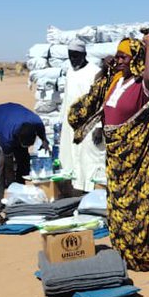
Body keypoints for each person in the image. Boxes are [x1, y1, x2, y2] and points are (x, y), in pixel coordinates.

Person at [66, 34, 149, 271]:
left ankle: (146, 255)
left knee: (139, 206)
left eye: (124, 56)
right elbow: (96, 93)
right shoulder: (115, 80)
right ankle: (125, 250)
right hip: (116, 157)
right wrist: (107, 66)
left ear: (136, 58)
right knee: (119, 206)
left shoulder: (144, 84)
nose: (119, 59)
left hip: (139, 160)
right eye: (118, 55)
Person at [0, 102, 50, 227]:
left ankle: (20, 198)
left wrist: (45, 142)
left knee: (24, 157)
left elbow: (43, 136)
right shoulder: (7, 136)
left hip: (13, 118)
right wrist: (12, 185)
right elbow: (8, 165)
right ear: (18, 137)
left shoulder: (37, 122)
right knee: (0, 162)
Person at [58, 42, 107, 194]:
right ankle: (77, 191)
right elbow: (66, 99)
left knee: (90, 160)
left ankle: (93, 194)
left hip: (90, 124)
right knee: (72, 158)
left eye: (76, 56)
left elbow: (101, 101)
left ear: (84, 55)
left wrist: (99, 127)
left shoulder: (95, 72)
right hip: (71, 125)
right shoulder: (69, 72)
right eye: (70, 56)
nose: (73, 60)